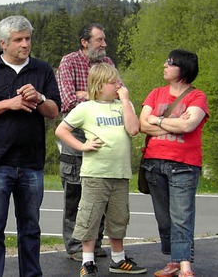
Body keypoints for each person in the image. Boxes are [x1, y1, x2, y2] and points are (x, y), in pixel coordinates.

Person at [0, 15, 61, 277]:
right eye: (18, 40)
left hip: (31, 163)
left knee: (30, 228)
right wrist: (9, 103)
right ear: (3, 43)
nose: (25, 44)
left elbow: (54, 111)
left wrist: (39, 97)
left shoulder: (42, 70)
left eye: (28, 38)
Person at [55, 63, 145, 276]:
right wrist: (82, 146)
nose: (117, 85)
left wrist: (124, 101)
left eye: (118, 81)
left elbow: (133, 129)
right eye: (112, 82)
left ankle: (118, 259)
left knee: (118, 217)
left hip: (120, 173)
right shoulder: (86, 108)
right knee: (90, 217)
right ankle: (87, 262)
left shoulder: (124, 104)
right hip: (95, 173)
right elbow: (61, 130)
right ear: (98, 85)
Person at [139, 49, 207, 277]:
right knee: (164, 217)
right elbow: (142, 125)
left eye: (171, 63)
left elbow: (188, 126)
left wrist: (157, 120)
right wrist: (174, 122)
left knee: (182, 215)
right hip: (153, 164)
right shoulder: (156, 93)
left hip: (183, 164)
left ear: (183, 69)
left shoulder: (197, 96)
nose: (165, 65)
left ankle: (185, 264)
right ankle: (175, 260)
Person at [56, 23, 118, 261]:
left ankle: (95, 244)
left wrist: (86, 94)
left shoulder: (108, 64)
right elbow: (69, 101)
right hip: (76, 133)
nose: (104, 44)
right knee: (75, 193)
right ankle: (74, 246)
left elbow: (119, 94)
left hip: (103, 132)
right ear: (85, 42)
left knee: (100, 191)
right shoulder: (69, 62)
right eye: (99, 40)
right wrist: (97, 96)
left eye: (104, 40)